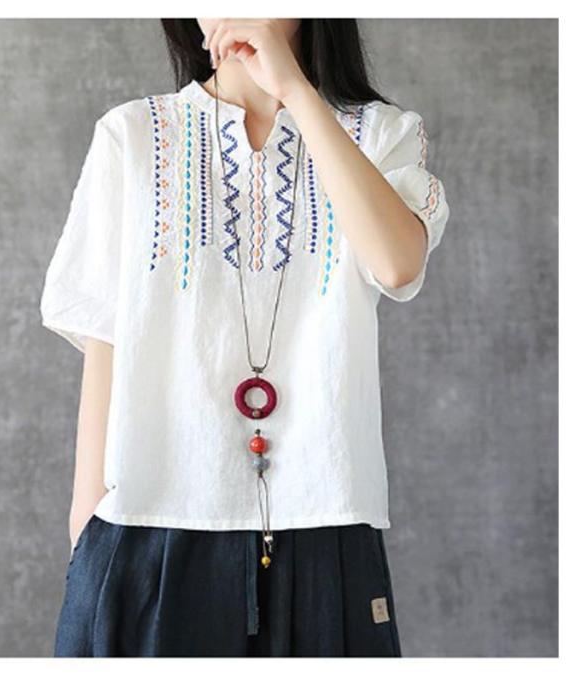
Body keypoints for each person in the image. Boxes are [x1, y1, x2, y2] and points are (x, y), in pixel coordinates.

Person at [40, 18, 450, 657]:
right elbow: (106, 335)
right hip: (150, 524)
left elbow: (397, 264)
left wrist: (296, 92)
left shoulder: (381, 134)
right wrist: (87, 527)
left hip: (326, 524)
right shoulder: (133, 134)